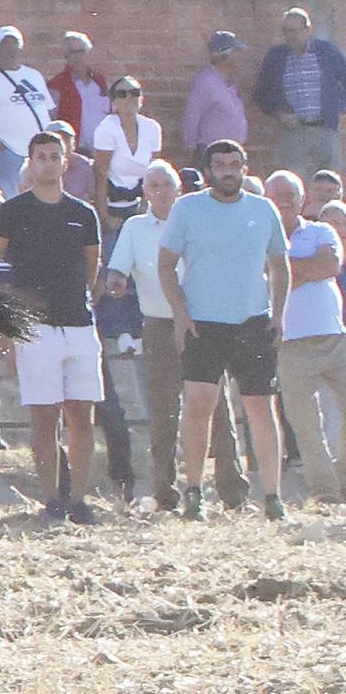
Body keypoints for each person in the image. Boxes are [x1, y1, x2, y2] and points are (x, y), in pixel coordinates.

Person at [160, 139, 290, 521]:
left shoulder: (263, 209)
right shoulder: (188, 208)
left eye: (235, 164)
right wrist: (180, 315)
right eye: (220, 165)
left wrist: (279, 314)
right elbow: (166, 263)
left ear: (245, 167)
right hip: (204, 323)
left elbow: (280, 265)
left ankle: (273, 498)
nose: (228, 171)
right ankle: (195, 492)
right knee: (199, 404)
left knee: (261, 408)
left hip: (253, 321)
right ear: (208, 170)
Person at [0, 130, 105, 524]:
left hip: (80, 326)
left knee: (81, 416)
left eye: (56, 156)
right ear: (31, 163)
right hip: (35, 329)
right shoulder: (13, 211)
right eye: (42, 157)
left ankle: (79, 500)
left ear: (66, 161)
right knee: (44, 417)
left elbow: (90, 270)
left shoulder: (83, 214)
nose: (49, 163)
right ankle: (51, 499)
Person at [107, 161, 246, 514]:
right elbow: (118, 269)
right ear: (144, 192)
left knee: (217, 408)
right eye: (152, 185)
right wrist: (117, 282)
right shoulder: (135, 228)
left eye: (166, 184)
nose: (160, 190)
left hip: (205, 324)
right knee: (164, 411)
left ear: (178, 188)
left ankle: (233, 492)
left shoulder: (198, 220)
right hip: (159, 325)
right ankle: (165, 492)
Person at [267, 169, 346, 504]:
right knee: (306, 426)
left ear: (304, 199)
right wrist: (301, 266)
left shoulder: (322, 229)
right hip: (289, 345)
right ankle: (326, 493)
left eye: (291, 195)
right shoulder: (259, 237)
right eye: (278, 195)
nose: (285, 201)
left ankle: (342, 477)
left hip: (334, 338)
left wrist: (281, 269)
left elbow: (329, 266)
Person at [253, 6, 346, 179]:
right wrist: (279, 114)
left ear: (308, 29)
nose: (291, 36)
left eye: (295, 31)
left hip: (325, 128)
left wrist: (339, 108)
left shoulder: (327, 51)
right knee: (294, 182)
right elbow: (261, 93)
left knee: (330, 182)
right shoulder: (276, 56)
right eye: (286, 31)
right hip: (293, 131)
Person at [0, 24, 55, 194]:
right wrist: (0, 149)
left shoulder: (34, 76)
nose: (11, 48)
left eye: (14, 43)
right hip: (9, 155)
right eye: (6, 43)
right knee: (10, 204)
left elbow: (49, 109)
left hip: (40, 154)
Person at [87, 76, 161, 227]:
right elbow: (101, 174)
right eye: (122, 94)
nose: (129, 97)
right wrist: (104, 217)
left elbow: (153, 172)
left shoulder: (152, 128)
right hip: (113, 207)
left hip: (141, 205)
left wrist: (146, 207)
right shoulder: (106, 128)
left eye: (134, 93)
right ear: (114, 101)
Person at [184, 31, 250, 161]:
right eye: (236, 53)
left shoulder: (226, 82)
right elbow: (192, 116)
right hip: (212, 154)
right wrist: (190, 148)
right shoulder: (207, 82)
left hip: (231, 153)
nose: (240, 58)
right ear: (224, 57)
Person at [51, 31, 110, 144]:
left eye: (81, 51)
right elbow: (52, 121)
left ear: (88, 53)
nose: (77, 56)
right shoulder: (57, 85)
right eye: (72, 52)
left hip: (103, 148)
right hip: (75, 150)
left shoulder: (100, 83)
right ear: (66, 56)